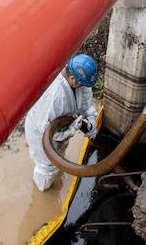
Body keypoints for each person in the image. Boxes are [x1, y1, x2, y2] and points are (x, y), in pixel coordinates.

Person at [24, 54, 98, 191]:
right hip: (41, 134)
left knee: (60, 157)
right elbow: (47, 131)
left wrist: (92, 120)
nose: (84, 87)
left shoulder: (79, 80)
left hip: (63, 126)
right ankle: (41, 193)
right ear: (72, 79)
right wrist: (71, 130)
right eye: (82, 84)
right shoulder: (54, 97)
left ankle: (59, 169)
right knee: (47, 167)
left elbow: (86, 100)